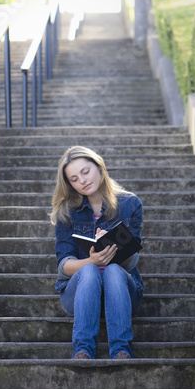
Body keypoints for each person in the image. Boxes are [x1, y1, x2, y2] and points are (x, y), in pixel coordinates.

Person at [50, 146, 144, 360]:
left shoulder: (130, 204)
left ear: (100, 167)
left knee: (111, 269)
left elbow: (131, 262)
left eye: (85, 171)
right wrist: (91, 260)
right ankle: (83, 350)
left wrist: (113, 248)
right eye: (74, 178)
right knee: (91, 270)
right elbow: (64, 266)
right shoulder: (66, 212)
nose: (82, 181)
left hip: (122, 291)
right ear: (69, 184)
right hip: (79, 293)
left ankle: (121, 350)